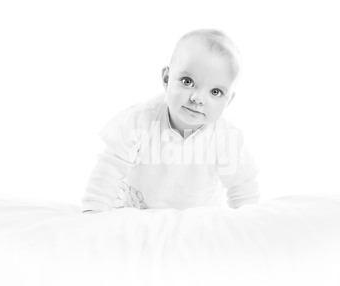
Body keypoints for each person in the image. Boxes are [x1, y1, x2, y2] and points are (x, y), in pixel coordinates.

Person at [82, 28, 260, 213]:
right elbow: (110, 169)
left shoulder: (226, 136)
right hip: (138, 214)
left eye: (215, 92)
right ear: (167, 79)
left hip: (197, 221)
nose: (198, 98)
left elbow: (243, 189)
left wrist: (247, 225)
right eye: (187, 81)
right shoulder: (139, 120)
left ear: (228, 101)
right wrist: (94, 211)